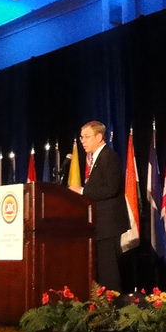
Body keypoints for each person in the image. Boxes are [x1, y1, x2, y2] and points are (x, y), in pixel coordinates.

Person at [70, 121, 128, 290]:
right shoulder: (98, 158)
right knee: (101, 270)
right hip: (100, 224)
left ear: (99, 137)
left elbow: (111, 188)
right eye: (81, 137)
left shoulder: (108, 156)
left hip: (108, 224)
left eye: (87, 137)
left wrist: (82, 191)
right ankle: (103, 302)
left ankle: (112, 302)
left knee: (108, 270)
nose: (83, 141)